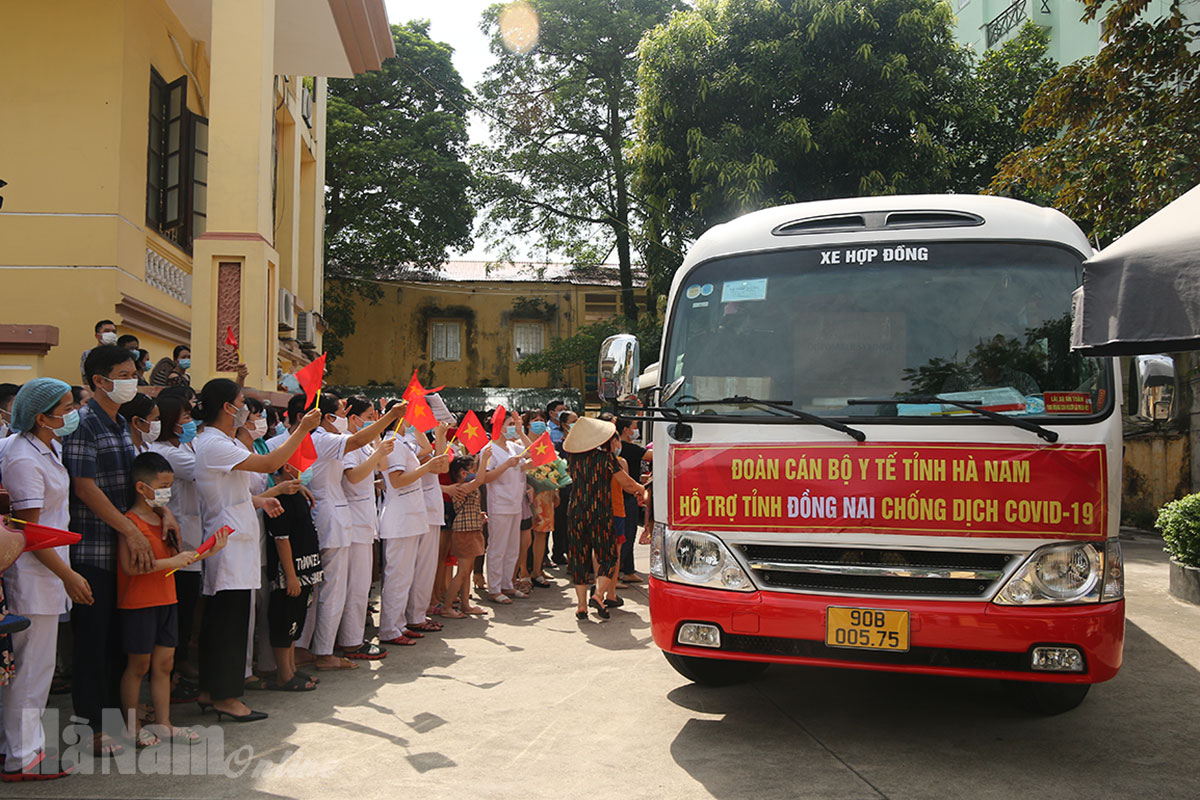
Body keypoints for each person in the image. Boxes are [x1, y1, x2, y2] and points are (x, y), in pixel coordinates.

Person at [66, 344, 181, 756]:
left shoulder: (118, 422)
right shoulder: (83, 424)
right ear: (99, 380)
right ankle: (92, 728)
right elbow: (84, 488)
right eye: (124, 374)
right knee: (93, 643)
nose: (133, 380)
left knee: (120, 643)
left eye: (134, 373)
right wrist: (130, 531)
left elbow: (138, 484)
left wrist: (163, 511)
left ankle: (119, 721)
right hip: (96, 549)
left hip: (128, 552)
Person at [191, 378, 320, 722]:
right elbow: (268, 463)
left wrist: (260, 500)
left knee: (228, 621)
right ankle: (226, 696)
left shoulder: (223, 442)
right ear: (227, 408)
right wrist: (302, 429)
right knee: (228, 625)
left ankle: (211, 691)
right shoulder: (214, 443)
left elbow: (231, 492)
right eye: (241, 404)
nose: (246, 412)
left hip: (236, 540)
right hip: (228, 546)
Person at [0, 378, 85, 781]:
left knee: (32, 669)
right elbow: (28, 532)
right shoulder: (23, 458)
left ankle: (15, 748)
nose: (73, 413)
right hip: (34, 576)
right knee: (31, 671)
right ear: (40, 417)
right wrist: (68, 575)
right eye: (66, 407)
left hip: (46, 573)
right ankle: (22, 756)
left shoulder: (46, 447)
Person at [118, 452, 225, 748]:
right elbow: (130, 567)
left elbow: (176, 561)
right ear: (141, 487)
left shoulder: (164, 519)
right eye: (163, 486)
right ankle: (132, 726)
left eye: (169, 485)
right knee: (138, 665)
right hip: (139, 603)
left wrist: (207, 552)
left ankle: (164, 723)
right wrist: (173, 561)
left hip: (167, 599)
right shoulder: (129, 522)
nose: (167, 492)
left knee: (165, 665)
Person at [306, 394, 405, 670]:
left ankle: (321, 647)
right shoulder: (326, 439)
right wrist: (390, 417)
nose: (345, 415)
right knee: (334, 591)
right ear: (328, 417)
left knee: (338, 589)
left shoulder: (330, 438)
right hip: (334, 516)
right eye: (342, 411)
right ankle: (328, 650)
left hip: (340, 516)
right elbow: (355, 455)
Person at [377, 409, 449, 647]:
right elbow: (396, 480)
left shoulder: (402, 443)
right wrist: (426, 468)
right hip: (400, 518)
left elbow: (426, 453)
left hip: (408, 518)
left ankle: (399, 625)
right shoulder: (394, 443)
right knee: (397, 577)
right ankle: (390, 628)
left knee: (405, 576)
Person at [147, 395, 203, 694]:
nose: (191, 423)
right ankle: (173, 670)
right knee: (179, 608)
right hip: (176, 538)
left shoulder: (182, 447)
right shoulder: (167, 452)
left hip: (191, 535)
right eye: (185, 418)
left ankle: (180, 662)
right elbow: (204, 470)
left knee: (187, 605)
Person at [563, 416, 643, 621]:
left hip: (576, 512)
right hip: (600, 512)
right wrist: (641, 489)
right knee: (608, 557)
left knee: (579, 558)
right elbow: (627, 483)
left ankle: (581, 606)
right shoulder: (606, 459)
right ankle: (598, 594)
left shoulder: (573, 459)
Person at [337, 396, 393, 660]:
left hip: (363, 519)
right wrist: (378, 453)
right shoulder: (347, 443)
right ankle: (350, 641)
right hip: (353, 521)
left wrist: (377, 440)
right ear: (353, 418)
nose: (373, 421)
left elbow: (382, 466)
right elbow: (354, 476)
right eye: (370, 417)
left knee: (361, 585)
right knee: (355, 586)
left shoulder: (364, 443)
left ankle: (352, 636)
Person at [263, 460, 323, 691]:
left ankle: (292, 668)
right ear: (287, 467)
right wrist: (290, 575)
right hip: (290, 574)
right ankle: (284, 674)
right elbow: (281, 539)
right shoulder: (278, 500)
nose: (306, 470)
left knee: (295, 621)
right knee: (284, 620)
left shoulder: (297, 493)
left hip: (306, 569)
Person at [483, 409, 532, 604]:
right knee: (498, 547)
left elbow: (533, 451)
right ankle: (494, 588)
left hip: (515, 502)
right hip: (499, 504)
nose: (512, 427)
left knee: (512, 547)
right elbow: (485, 477)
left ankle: (507, 584)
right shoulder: (489, 450)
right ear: (499, 427)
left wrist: (520, 432)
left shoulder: (512, 446)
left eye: (513, 424)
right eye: (510, 424)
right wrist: (506, 465)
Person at [441, 453, 490, 618]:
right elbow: (480, 480)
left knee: (467, 570)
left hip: (471, 529)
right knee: (462, 571)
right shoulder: (460, 487)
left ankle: (465, 604)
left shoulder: (465, 487)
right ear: (463, 473)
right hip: (464, 532)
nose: (474, 473)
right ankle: (447, 606)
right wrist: (485, 459)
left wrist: (477, 514)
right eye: (472, 469)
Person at [615, 417, 651, 583]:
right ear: (625, 430)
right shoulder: (629, 449)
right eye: (635, 427)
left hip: (626, 495)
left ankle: (628, 570)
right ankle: (616, 575)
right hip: (627, 496)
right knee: (626, 536)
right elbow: (652, 456)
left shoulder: (620, 450)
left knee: (627, 535)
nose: (636, 430)